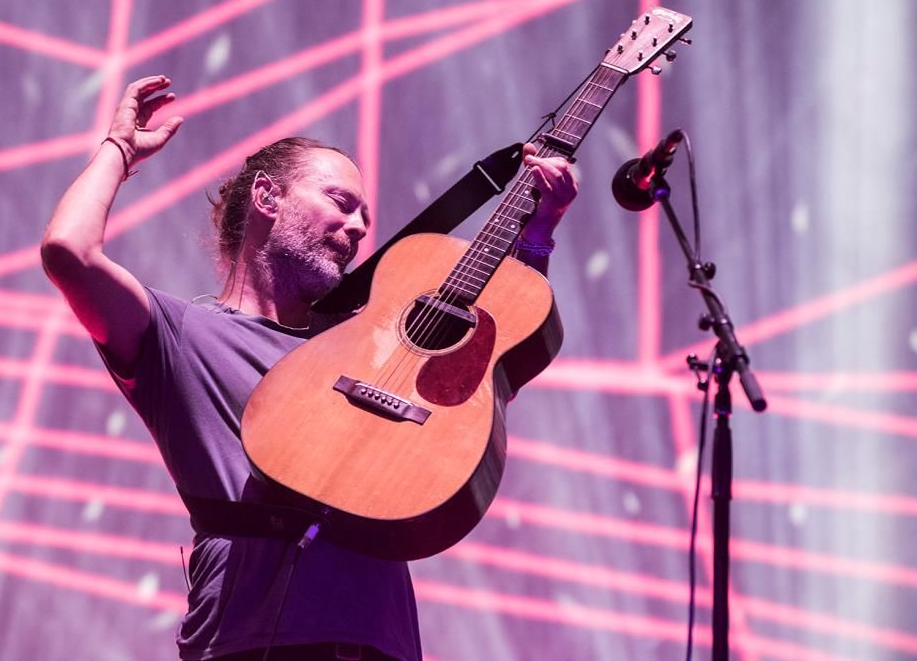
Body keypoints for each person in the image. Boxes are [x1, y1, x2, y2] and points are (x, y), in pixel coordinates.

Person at [41, 76, 578, 661]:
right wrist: (119, 149)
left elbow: (485, 361)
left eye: (365, 219)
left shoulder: (373, 339)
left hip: (382, 641)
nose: (357, 229)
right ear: (267, 199)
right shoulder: (180, 335)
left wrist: (538, 234)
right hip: (245, 640)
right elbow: (70, 252)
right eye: (340, 203)